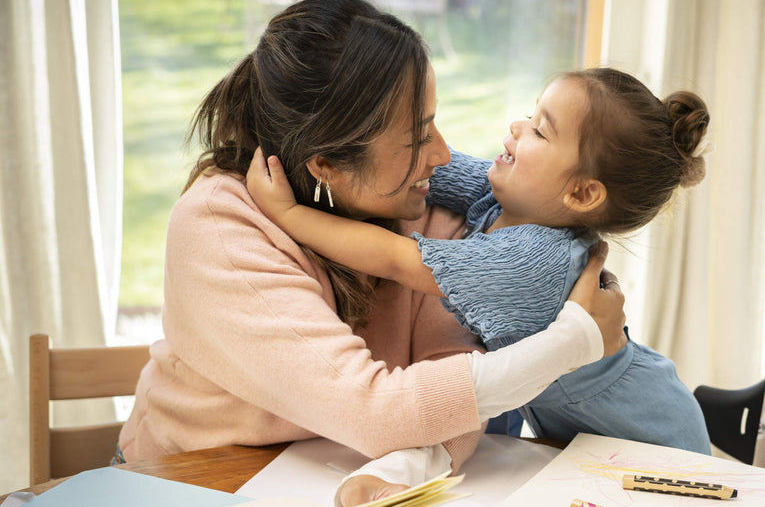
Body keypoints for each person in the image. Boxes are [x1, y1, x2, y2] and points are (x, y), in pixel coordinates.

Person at [117, 0, 627, 507]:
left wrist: (398, 472)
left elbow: (456, 381)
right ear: (326, 165)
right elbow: (379, 412)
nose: (443, 154)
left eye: (434, 123)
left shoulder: (422, 204)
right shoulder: (221, 226)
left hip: (328, 502)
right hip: (185, 505)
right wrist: (575, 340)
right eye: (416, 137)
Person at [246, 67, 712, 454]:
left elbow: (398, 259)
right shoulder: (506, 198)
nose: (516, 127)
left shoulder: (534, 263)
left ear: (582, 192)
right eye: (530, 115)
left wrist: (289, 213)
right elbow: (426, 166)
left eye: (539, 131)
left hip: (656, 441)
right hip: (584, 441)